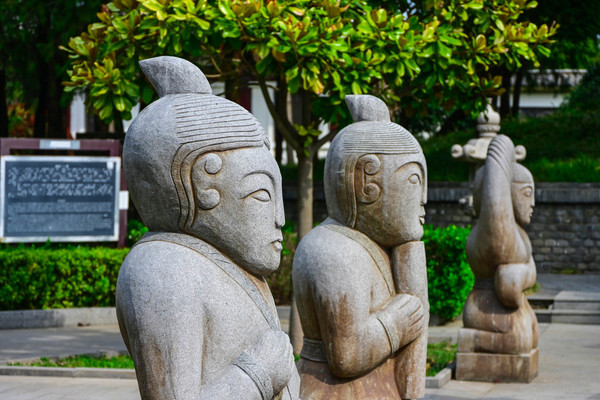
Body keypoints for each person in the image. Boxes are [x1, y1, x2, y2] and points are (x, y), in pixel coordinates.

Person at [116, 56, 300, 400]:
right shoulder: (165, 269)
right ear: (201, 187)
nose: (280, 218)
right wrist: (259, 372)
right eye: (261, 194)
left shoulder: (231, 264)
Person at [293, 94, 428, 400]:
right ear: (367, 183)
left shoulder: (373, 245)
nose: (423, 199)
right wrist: (395, 323)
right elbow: (346, 355)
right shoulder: (337, 250)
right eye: (413, 181)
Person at [459, 134, 538, 355]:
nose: (533, 203)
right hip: (487, 310)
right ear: (507, 192)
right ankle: (470, 340)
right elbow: (508, 290)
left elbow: (524, 273)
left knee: (525, 337)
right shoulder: (497, 233)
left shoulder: (519, 234)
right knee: (519, 340)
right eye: (527, 194)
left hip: (510, 314)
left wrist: (522, 273)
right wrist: (506, 148)